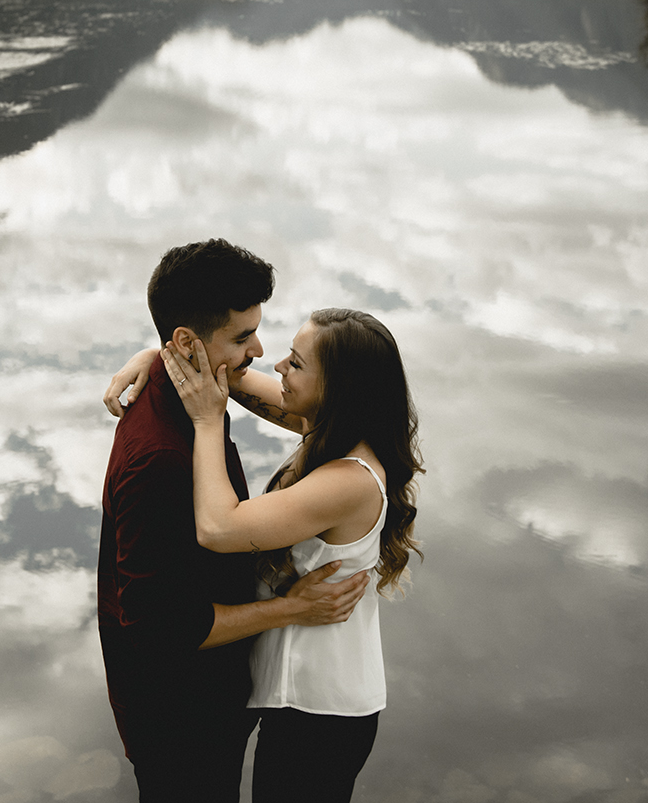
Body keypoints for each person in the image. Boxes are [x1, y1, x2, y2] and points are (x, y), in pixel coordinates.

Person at [109, 306, 423, 803]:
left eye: (295, 364)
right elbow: (221, 377)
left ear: (338, 387)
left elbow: (217, 528)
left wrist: (209, 424)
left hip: (320, 710)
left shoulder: (349, 480)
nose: (276, 367)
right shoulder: (329, 427)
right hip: (296, 700)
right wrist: (156, 357)